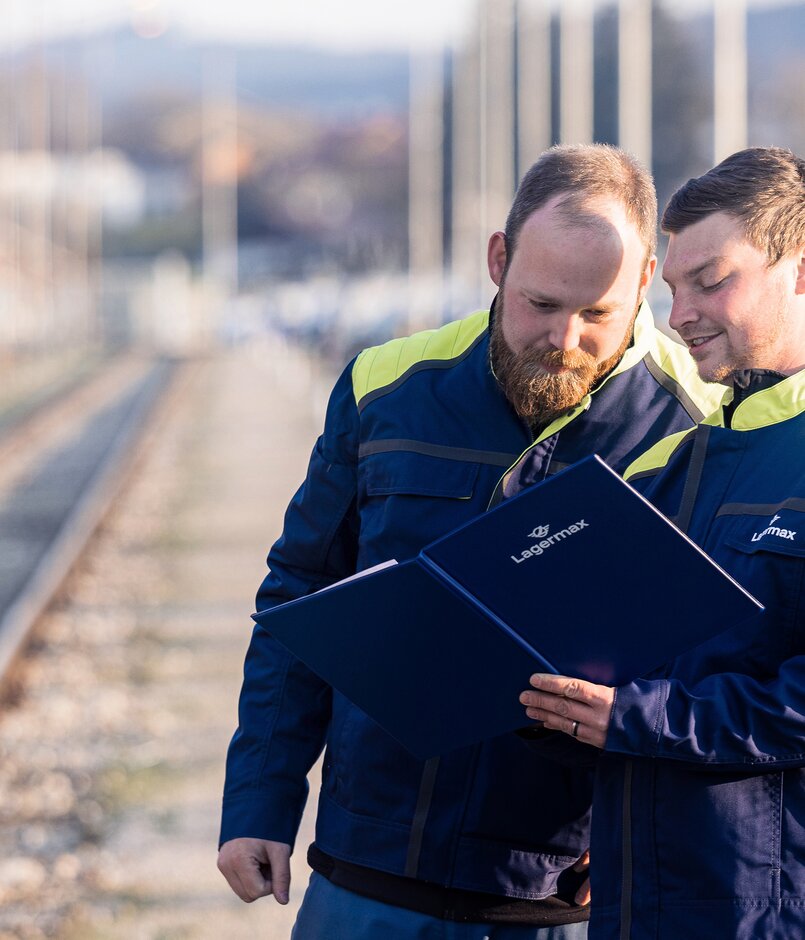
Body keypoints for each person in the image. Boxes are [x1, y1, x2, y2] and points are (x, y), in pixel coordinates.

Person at [217, 143, 722, 940]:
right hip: (363, 870)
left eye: (597, 314)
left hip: (555, 900)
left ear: (646, 281)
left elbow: (721, 670)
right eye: (541, 303)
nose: (564, 338)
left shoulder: (703, 428)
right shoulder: (384, 387)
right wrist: (258, 800)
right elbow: (300, 597)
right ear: (497, 259)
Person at [519, 146, 805, 939]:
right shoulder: (676, 459)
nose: (679, 316)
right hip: (633, 903)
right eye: (673, 289)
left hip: (767, 915)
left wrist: (637, 719)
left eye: (712, 281)